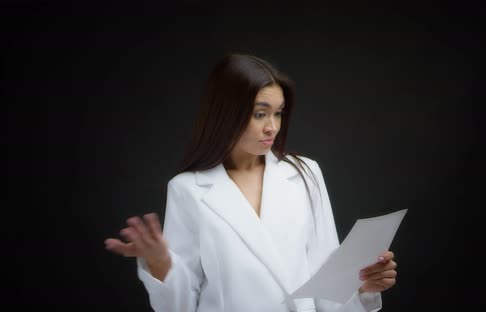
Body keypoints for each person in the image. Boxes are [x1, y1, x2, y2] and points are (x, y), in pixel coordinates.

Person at [104, 53, 397, 311]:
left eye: (278, 113)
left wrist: (361, 287)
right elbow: (179, 306)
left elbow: (327, 287)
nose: (272, 127)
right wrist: (160, 264)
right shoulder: (188, 190)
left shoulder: (305, 173)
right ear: (226, 114)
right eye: (260, 114)